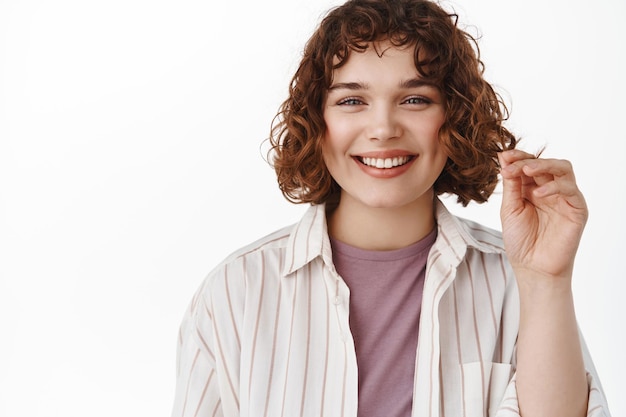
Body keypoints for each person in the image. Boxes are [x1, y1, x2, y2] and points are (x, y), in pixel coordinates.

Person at [171, 0, 611, 416]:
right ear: (317, 123)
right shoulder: (235, 292)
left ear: (453, 119)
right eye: (351, 101)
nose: (382, 128)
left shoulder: (516, 281)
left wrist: (547, 281)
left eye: (415, 99)